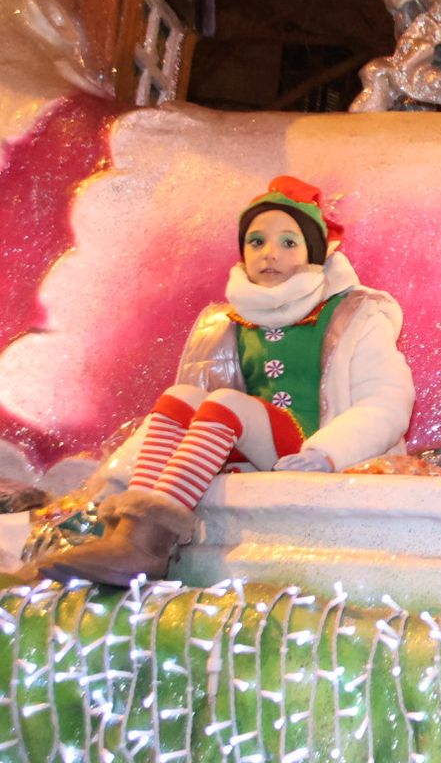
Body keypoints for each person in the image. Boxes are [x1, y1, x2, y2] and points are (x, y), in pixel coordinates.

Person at [33, 176, 415, 586]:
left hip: (312, 449)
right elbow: (180, 419)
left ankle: (150, 545)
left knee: (227, 402)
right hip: (249, 452)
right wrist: (108, 483)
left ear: (314, 254)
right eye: (257, 242)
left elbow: (387, 401)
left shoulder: (354, 314)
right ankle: (129, 532)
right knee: (181, 395)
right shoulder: (224, 321)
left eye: (289, 243)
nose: (270, 253)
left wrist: (326, 453)